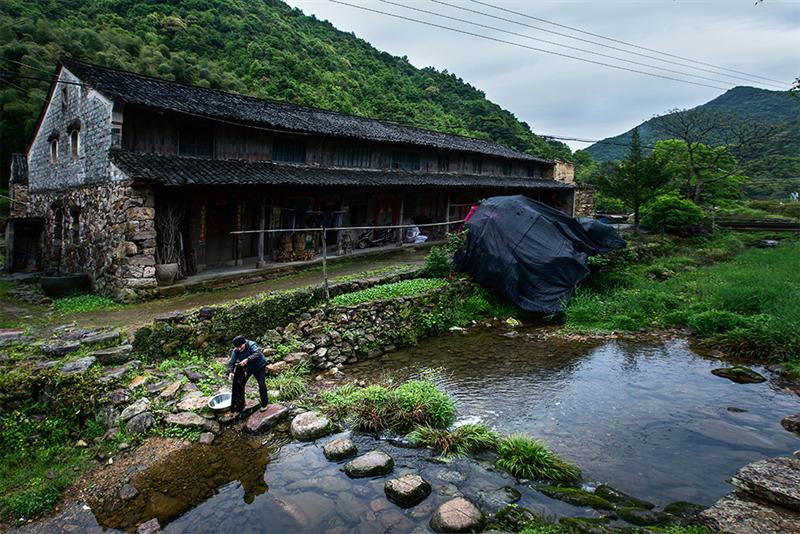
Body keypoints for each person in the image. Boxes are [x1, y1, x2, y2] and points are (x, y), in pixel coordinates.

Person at [227, 335, 269, 412]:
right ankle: (241, 404)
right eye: (237, 347)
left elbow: (257, 354)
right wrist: (230, 372)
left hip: (259, 366)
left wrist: (247, 359)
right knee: (240, 384)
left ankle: (265, 404)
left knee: (261, 384)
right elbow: (231, 363)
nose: (239, 349)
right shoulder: (235, 351)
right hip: (248, 368)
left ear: (245, 343)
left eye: (241, 347)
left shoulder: (251, 344)